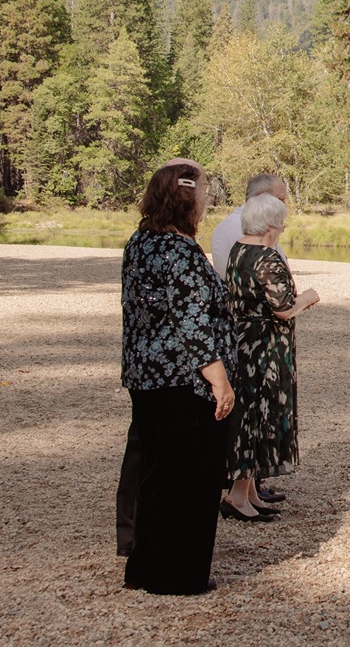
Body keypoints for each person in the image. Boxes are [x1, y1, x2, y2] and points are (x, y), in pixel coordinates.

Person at [120, 162, 237, 595]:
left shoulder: (140, 242)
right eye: (204, 192)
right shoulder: (180, 252)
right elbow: (191, 324)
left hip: (145, 377)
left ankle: (145, 567)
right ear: (188, 200)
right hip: (184, 383)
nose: (207, 201)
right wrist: (219, 381)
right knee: (192, 479)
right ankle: (179, 575)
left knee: (155, 475)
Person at [222, 192, 319, 521]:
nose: (282, 229)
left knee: (248, 412)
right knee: (260, 414)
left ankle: (248, 492)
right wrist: (307, 298)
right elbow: (283, 309)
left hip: (242, 339)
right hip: (265, 346)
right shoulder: (267, 257)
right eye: (282, 224)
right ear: (271, 226)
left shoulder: (238, 249)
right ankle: (238, 496)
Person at [211, 173, 287, 278]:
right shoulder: (249, 229)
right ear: (261, 196)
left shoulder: (229, 225)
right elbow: (268, 277)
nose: (284, 205)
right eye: (280, 199)